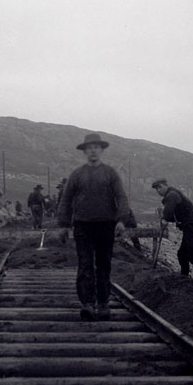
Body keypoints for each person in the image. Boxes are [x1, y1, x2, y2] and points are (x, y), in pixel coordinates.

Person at [58, 133, 130, 321]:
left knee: (104, 264)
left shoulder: (111, 173)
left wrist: (121, 220)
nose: (93, 151)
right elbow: (66, 200)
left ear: (102, 150)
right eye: (89, 148)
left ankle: (103, 303)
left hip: (106, 225)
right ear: (84, 152)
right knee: (85, 264)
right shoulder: (77, 174)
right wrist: (63, 224)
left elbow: (121, 197)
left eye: (96, 147)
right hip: (82, 226)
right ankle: (88, 304)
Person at [152, 178, 193, 286]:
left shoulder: (171, 195)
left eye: (160, 187)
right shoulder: (172, 194)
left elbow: (168, 212)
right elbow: (175, 216)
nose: (158, 190)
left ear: (166, 185)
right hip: (188, 227)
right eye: (156, 189)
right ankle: (184, 278)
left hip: (192, 227)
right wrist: (166, 218)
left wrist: (164, 218)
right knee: (182, 254)